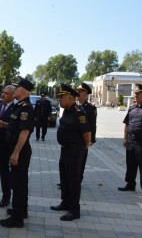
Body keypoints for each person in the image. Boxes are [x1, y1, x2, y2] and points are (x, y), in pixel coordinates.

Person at [0, 79, 35, 228]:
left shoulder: (26, 108)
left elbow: (24, 132)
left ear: (23, 90)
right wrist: (4, 124)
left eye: (17, 87)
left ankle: (17, 219)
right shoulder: (19, 106)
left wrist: (16, 153)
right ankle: (21, 210)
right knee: (19, 182)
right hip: (17, 148)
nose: (15, 89)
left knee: (18, 185)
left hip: (20, 150)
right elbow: (16, 126)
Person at [50, 83, 91, 221]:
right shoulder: (66, 111)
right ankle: (65, 203)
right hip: (65, 149)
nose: (59, 100)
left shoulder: (79, 114)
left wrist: (83, 148)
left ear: (70, 98)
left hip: (75, 150)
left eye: (62, 97)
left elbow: (87, 134)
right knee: (65, 178)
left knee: (73, 181)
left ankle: (74, 210)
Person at [76, 82, 97, 182]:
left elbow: (92, 125)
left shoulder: (90, 108)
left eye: (80, 91)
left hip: (83, 138)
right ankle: (68, 179)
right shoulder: (72, 105)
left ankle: (78, 179)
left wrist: (91, 139)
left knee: (81, 160)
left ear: (86, 93)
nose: (78, 92)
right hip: (72, 137)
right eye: (77, 91)